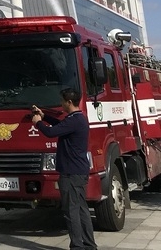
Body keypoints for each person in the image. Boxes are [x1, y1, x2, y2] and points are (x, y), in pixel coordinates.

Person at [32, 88, 97, 250]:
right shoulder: (77, 119)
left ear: (69, 102)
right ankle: (89, 245)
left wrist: (38, 122)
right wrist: (44, 115)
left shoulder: (74, 120)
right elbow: (60, 125)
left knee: (72, 211)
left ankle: (77, 246)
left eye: (62, 101)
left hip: (71, 173)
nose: (61, 104)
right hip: (78, 172)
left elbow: (51, 132)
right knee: (81, 209)